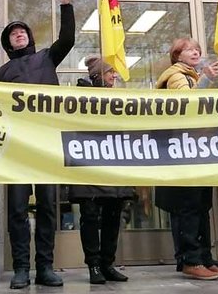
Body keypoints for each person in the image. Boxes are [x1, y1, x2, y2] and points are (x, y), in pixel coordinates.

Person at [0, 0, 75, 289]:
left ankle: (45, 266)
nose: (19, 34)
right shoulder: (3, 72)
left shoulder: (46, 58)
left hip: (46, 144)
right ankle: (20, 268)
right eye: (13, 33)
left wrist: (65, 6)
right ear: (8, 41)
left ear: (30, 37)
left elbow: (67, 39)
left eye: (22, 31)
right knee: (17, 208)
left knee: (47, 205)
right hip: (16, 147)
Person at [153, 38, 218, 281]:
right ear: (177, 55)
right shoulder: (176, 75)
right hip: (184, 150)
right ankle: (191, 259)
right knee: (189, 205)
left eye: (197, 48)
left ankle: (204, 257)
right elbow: (186, 104)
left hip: (198, 149)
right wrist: (206, 78)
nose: (195, 51)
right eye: (189, 49)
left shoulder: (192, 75)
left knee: (201, 205)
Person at [67, 56, 134, 285]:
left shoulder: (118, 97)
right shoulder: (79, 96)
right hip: (88, 164)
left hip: (113, 164)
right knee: (91, 217)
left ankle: (108, 263)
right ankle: (93, 265)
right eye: (109, 72)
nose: (114, 76)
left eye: (114, 72)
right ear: (97, 75)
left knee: (113, 215)